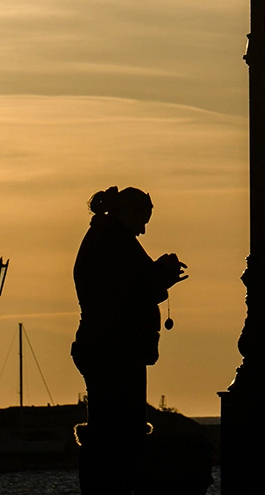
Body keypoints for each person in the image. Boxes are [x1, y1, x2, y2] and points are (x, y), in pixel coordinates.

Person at [71, 186, 187, 495]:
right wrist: (162, 275)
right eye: (143, 219)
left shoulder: (107, 239)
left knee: (109, 429)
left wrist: (160, 275)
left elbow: (130, 284)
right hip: (115, 350)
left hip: (107, 347)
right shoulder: (114, 242)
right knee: (117, 432)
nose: (145, 228)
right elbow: (132, 290)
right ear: (128, 213)